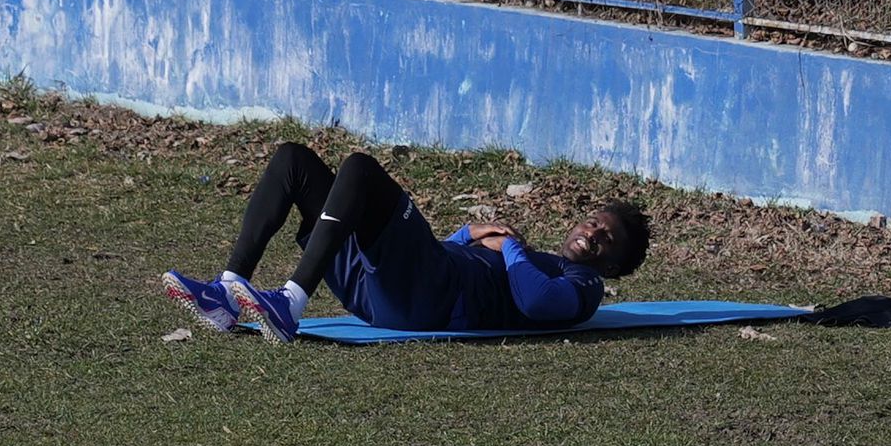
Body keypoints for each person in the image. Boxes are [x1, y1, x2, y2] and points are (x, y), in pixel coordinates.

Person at [163, 142, 650, 343]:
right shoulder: (539, 259)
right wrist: (467, 235)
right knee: (294, 161)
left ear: (614, 265)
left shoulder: (584, 286)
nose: (592, 233)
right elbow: (438, 252)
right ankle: (227, 291)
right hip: (391, 286)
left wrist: (510, 247)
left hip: (427, 299)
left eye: (606, 238)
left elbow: (539, 302)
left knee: (361, 170)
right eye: (593, 222)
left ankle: (290, 303)